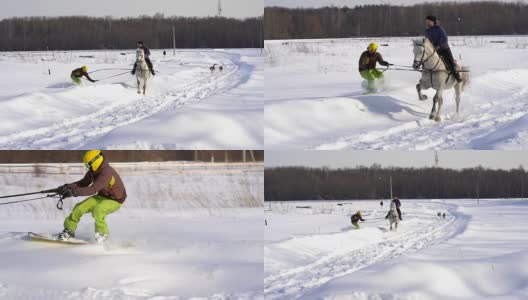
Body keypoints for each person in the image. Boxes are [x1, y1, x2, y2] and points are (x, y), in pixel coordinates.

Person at [56, 150, 127, 243]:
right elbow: (83, 183)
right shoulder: (93, 171)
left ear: (95, 161)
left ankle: (102, 234)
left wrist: (74, 192)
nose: (87, 167)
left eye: (88, 165)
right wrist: (67, 187)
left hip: (115, 200)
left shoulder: (107, 173)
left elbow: (93, 189)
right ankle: (69, 230)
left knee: (99, 209)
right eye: (86, 165)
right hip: (102, 196)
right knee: (79, 208)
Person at [424, 15, 462, 83]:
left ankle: (457, 76)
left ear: (433, 22)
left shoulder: (439, 29)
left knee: (449, 63)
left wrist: (438, 46)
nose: (427, 23)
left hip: (444, 49)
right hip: (434, 51)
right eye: (426, 22)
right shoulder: (427, 31)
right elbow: (427, 41)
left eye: (429, 22)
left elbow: (445, 39)